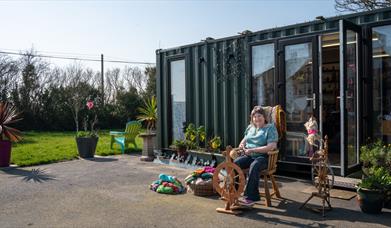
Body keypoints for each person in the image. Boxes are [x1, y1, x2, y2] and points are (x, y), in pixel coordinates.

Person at [234, 106, 278, 206]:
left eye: (259, 116)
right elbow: (244, 140)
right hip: (249, 156)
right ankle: (235, 191)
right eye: (254, 116)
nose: (256, 118)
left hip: (264, 157)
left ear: (264, 117)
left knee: (254, 166)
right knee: (235, 163)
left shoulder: (270, 128)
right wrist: (242, 145)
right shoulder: (250, 128)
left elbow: (272, 146)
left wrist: (252, 149)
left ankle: (251, 197)